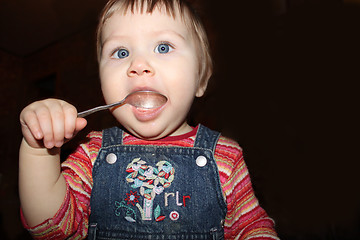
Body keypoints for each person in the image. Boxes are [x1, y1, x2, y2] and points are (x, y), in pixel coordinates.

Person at [19, 0, 279, 239]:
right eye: (121, 52)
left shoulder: (226, 157)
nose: (138, 64)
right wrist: (39, 149)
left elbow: (252, 228)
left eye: (163, 47)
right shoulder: (91, 153)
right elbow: (51, 228)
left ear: (201, 80)